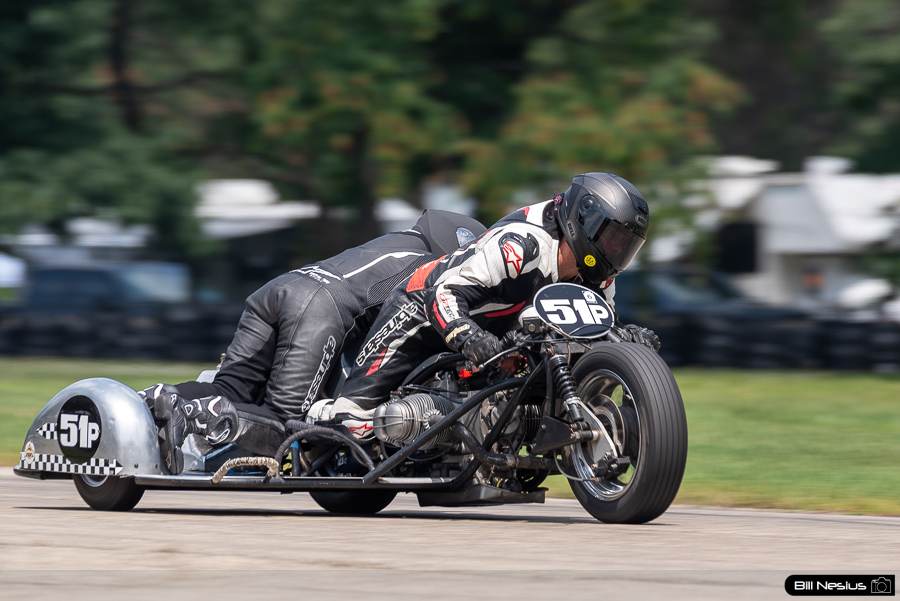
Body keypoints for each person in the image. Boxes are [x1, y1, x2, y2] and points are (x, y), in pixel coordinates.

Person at [307, 172, 660, 438]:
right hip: (422, 307)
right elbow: (443, 294)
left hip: (494, 326)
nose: (616, 252)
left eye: (626, 244)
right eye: (612, 238)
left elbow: (594, 333)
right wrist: (469, 338)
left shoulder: (597, 278)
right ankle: (317, 417)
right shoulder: (522, 245)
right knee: (351, 424)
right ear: (583, 220)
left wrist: (625, 340)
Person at [142, 209, 486, 473]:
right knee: (283, 425)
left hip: (283, 287)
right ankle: (194, 416)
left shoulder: (398, 241)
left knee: (231, 388)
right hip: (322, 307)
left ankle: (151, 403)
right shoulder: (436, 268)